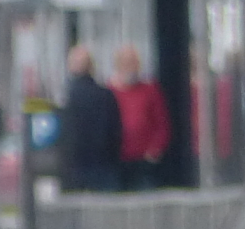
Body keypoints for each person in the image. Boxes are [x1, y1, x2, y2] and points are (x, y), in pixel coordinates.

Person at [59, 44, 124, 192]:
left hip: (76, 168)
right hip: (104, 165)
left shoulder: (68, 99)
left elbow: (66, 135)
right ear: (92, 67)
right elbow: (116, 131)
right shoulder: (106, 96)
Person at [111, 45, 172, 190]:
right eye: (126, 63)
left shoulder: (150, 90)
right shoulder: (109, 92)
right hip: (118, 159)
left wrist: (155, 149)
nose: (131, 67)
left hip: (145, 160)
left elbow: (162, 123)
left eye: (134, 63)